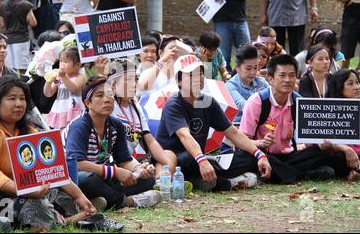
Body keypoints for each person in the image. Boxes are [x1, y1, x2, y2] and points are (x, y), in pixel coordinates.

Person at [0, 76, 96, 230]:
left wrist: (79, 196)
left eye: (22, 98)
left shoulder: (29, 131)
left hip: (23, 191)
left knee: (55, 191)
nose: (18, 104)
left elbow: (54, 169)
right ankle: (62, 220)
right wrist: (27, 191)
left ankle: (70, 214)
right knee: (25, 202)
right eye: (12, 98)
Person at [155, 54, 272, 192]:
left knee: (249, 157)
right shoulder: (173, 104)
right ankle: (215, 181)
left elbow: (232, 132)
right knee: (189, 157)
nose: (197, 79)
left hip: (200, 160)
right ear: (179, 81)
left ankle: (205, 180)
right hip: (181, 160)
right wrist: (202, 160)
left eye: (200, 74)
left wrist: (259, 154)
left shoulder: (208, 102)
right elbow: (184, 136)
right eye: (191, 75)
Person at [65, 76, 163, 210]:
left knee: (148, 179)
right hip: (73, 178)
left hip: (102, 174)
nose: (107, 100)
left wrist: (138, 169)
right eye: (100, 95)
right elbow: (75, 163)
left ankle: (99, 201)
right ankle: (129, 201)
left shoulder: (116, 125)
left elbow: (124, 160)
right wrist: (115, 172)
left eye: (110, 95)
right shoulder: (80, 125)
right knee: (88, 179)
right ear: (88, 103)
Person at [239, 55, 333, 184]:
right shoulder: (257, 102)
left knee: (322, 153)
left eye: (292, 75)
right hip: (263, 154)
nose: (288, 80)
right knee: (253, 159)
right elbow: (242, 141)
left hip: (288, 155)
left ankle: (283, 174)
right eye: (282, 75)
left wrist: (320, 142)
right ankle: (302, 174)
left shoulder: (299, 102)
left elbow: (308, 137)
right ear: (271, 79)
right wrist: (261, 143)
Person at [109, 59, 174, 179]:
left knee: (169, 155)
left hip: (131, 160)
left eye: (135, 79)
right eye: (128, 80)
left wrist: (167, 163)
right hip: (115, 161)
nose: (134, 84)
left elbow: (149, 140)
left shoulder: (135, 105)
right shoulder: (108, 105)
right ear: (113, 85)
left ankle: (160, 181)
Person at [324, 69, 360, 181]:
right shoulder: (327, 108)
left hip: (359, 157)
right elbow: (321, 140)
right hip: (338, 157)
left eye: (357, 82)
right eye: (350, 84)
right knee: (339, 157)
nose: (357, 87)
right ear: (339, 88)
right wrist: (346, 149)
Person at [0, 0, 37, 74]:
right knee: (23, 68)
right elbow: (33, 23)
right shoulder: (26, 5)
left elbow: (2, 25)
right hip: (22, 40)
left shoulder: (3, 5)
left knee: (10, 68)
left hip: (8, 40)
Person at [44, 46, 86, 129]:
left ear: (78, 65)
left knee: (76, 129)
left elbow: (74, 89)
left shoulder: (81, 77)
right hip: (61, 109)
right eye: (61, 61)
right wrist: (48, 81)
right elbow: (48, 93)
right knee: (62, 131)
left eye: (66, 61)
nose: (62, 64)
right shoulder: (59, 78)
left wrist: (64, 77)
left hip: (74, 108)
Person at [226, 44, 269, 124]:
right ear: (237, 67)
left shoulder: (262, 82)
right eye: (248, 68)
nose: (252, 72)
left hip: (261, 125)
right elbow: (245, 106)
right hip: (239, 127)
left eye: (255, 68)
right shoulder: (230, 86)